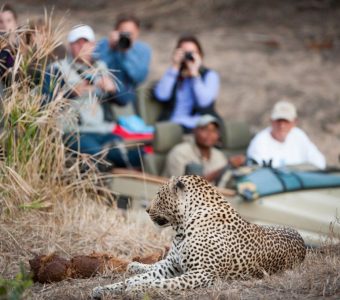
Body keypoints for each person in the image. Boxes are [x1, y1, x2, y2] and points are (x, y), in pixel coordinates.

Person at [43, 24, 142, 169]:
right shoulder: (56, 68)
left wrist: (113, 88)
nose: (82, 47)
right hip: (76, 132)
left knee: (136, 156)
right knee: (97, 157)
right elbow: (47, 103)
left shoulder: (101, 67)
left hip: (104, 130)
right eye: (77, 43)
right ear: (70, 45)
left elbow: (125, 100)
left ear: (94, 45)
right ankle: (101, 189)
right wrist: (71, 92)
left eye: (86, 42)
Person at [153, 35, 220, 133]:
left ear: (200, 55)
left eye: (192, 53)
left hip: (198, 127)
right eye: (185, 53)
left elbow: (205, 102)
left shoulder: (210, 75)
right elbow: (162, 95)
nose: (188, 56)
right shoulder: (173, 73)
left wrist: (195, 75)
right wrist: (175, 66)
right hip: (172, 125)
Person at [162, 114, 244, 183]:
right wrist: (223, 169)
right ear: (195, 131)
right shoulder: (179, 153)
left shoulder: (219, 155)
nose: (209, 134)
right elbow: (186, 189)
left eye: (214, 131)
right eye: (205, 130)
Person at [247, 100, 326, 169]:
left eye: (286, 121)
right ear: (271, 121)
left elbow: (319, 162)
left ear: (294, 122)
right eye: (278, 121)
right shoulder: (260, 141)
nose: (282, 126)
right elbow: (257, 171)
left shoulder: (299, 135)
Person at [94, 13, 151, 107]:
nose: (127, 37)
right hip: (100, 93)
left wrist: (126, 53)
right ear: (116, 31)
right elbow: (95, 67)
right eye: (124, 33)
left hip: (126, 96)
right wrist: (110, 48)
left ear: (137, 32)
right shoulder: (105, 44)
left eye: (130, 34)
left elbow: (139, 78)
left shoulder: (143, 50)